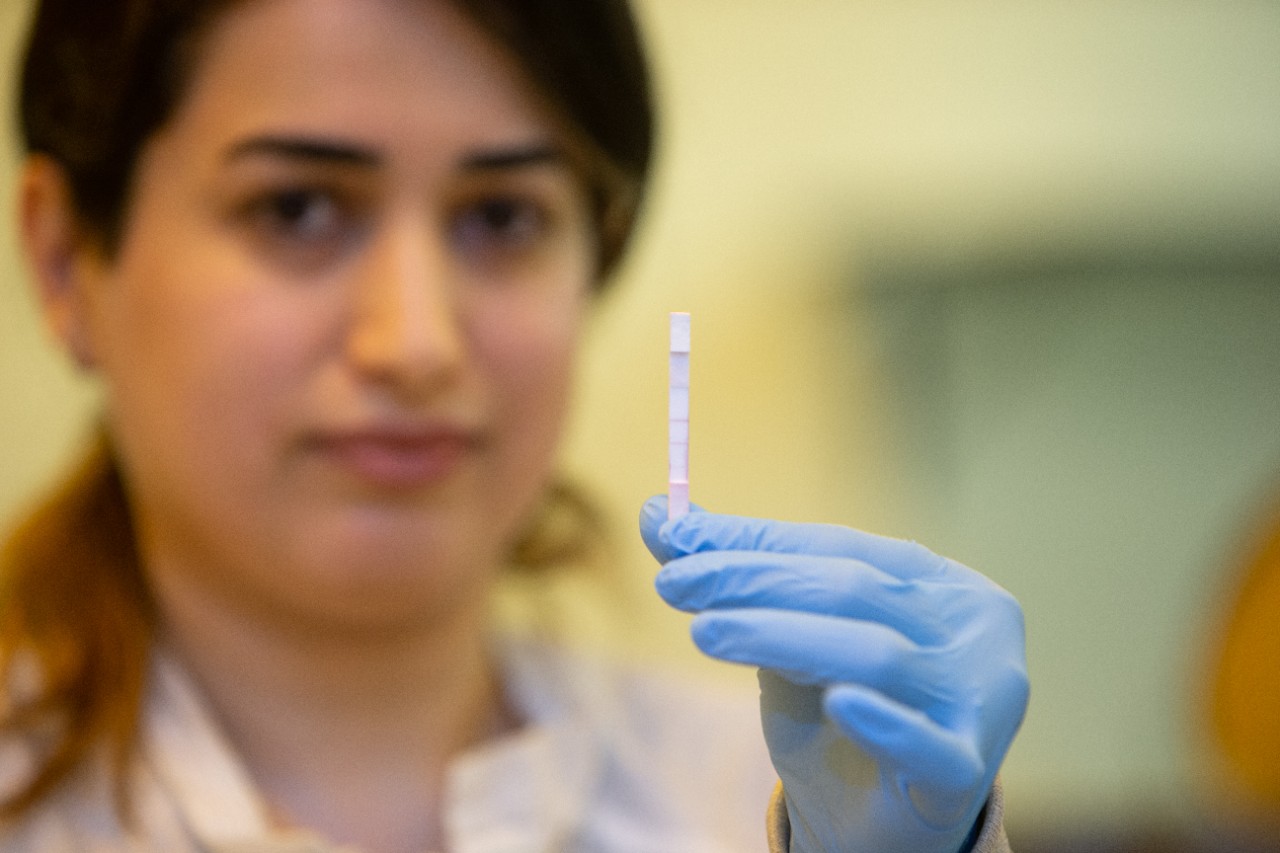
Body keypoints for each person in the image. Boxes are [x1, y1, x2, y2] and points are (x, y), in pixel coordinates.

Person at [0, 1, 1029, 851]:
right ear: (62, 261)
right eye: (297, 207)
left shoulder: (749, 806)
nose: (416, 342)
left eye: (502, 217)